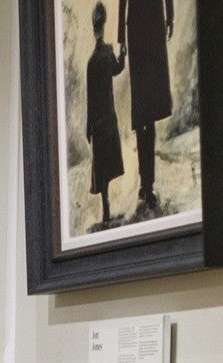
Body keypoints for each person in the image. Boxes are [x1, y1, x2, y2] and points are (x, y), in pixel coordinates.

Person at [117, 0, 174, 211]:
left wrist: (170, 17)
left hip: (150, 28)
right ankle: (146, 184)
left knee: (147, 114)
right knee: (143, 114)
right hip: (142, 30)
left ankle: (147, 184)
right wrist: (121, 38)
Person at [83, 3, 128, 223]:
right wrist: (123, 55)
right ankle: (107, 207)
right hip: (108, 117)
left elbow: (89, 99)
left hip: (97, 121)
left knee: (101, 165)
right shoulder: (108, 52)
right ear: (104, 25)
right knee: (109, 163)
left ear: (93, 29)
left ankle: (106, 205)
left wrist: (88, 126)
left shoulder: (91, 62)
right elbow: (117, 69)